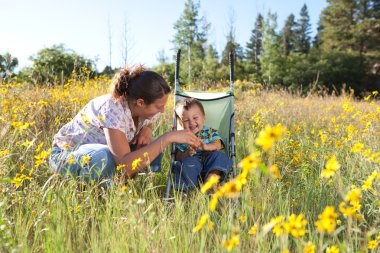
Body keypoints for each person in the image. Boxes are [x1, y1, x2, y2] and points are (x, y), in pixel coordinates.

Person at [49, 65, 201, 186]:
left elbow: (149, 124)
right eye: (158, 106)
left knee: (151, 144)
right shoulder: (113, 109)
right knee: (105, 157)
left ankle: (118, 188)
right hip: (66, 157)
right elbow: (124, 166)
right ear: (140, 102)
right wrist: (168, 138)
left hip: (93, 154)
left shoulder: (141, 109)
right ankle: (94, 190)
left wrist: (147, 129)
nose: (161, 111)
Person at [173, 98, 233, 192]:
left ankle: (211, 182)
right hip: (193, 165)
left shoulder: (210, 132)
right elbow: (177, 156)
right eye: (186, 120)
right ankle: (190, 191)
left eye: (195, 118)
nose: (192, 123)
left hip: (210, 161)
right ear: (181, 123)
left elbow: (219, 144)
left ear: (204, 119)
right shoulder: (181, 137)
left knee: (219, 156)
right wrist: (187, 153)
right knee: (184, 164)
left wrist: (207, 147)